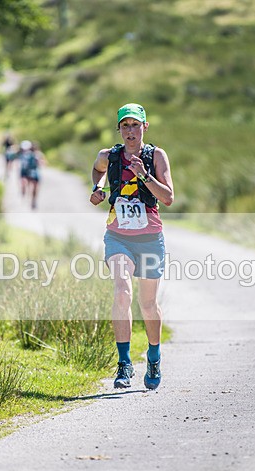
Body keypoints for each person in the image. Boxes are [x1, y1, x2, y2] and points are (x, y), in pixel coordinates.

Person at [89, 103, 174, 390]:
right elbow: (96, 169)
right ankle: (124, 364)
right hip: (118, 236)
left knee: (147, 304)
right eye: (125, 125)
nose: (130, 131)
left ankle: (153, 356)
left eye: (135, 125)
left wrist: (144, 175)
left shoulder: (156, 156)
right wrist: (97, 189)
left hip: (150, 238)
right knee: (122, 291)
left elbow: (169, 198)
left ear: (144, 127)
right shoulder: (109, 156)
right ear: (119, 129)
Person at [18, 141, 45, 210]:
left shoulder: (38, 154)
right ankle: (28, 200)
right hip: (28, 172)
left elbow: (43, 162)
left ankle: (33, 201)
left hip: (35, 172)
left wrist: (40, 161)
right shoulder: (27, 154)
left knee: (35, 188)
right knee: (29, 186)